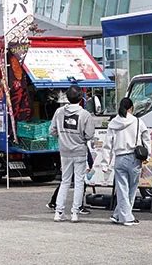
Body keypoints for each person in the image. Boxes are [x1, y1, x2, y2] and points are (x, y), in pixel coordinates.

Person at [49, 85, 95, 223]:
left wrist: (63, 136)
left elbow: (52, 131)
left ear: (67, 98)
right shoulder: (85, 114)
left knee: (65, 181)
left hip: (64, 152)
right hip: (80, 151)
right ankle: (75, 213)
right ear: (81, 98)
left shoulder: (59, 112)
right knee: (79, 182)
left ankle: (59, 212)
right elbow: (89, 134)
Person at [104, 97, 150, 226]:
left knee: (122, 188)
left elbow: (107, 144)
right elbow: (146, 139)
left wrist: (105, 162)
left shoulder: (113, 123)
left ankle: (118, 215)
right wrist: (148, 155)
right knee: (131, 188)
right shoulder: (138, 122)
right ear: (131, 108)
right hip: (134, 158)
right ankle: (127, 218)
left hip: (119, 158)